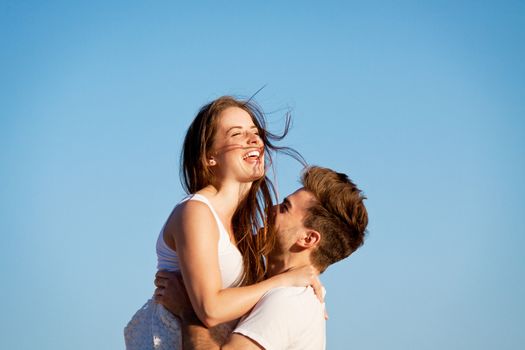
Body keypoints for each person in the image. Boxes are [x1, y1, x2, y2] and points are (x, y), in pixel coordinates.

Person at [124, 96, 321, 350]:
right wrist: (284, 282)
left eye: (254, 132)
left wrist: (308, 280)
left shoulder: (239, 226)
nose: (253, 139)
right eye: (237, 134)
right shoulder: (195, 211)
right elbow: (210, 309)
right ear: (209, 158)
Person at [155, 166, 369, 350]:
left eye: (285, 208)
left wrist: (188, 311)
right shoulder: (285, 293)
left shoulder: (287, 301)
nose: (271, 208)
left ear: (308, 238)